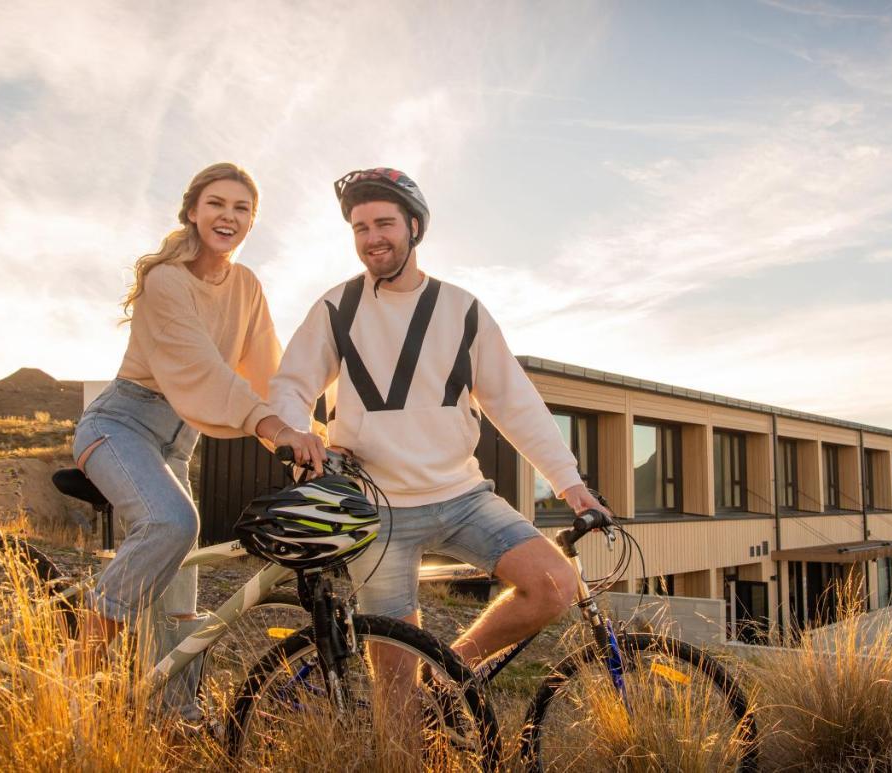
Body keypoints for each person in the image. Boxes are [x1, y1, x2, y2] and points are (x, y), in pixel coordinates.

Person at [261, 167, 607, 676]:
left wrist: (568, 481)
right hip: (375, 509)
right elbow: (290, 384)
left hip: (461, 497)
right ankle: (415, 701)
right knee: (396, 700)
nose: (372, 238)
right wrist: (297, 438)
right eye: (361, 228)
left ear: (414, 228)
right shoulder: (337, 307)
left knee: (554, 584)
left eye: (384, 223)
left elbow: (515, 401)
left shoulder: (462, 309)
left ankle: (448, 671)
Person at [70, 163, 283, 709]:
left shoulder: (247, 286)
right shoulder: (167, 281)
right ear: (193, 210)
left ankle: (177, 721)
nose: (228, 216)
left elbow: (268, 374)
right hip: (120, 424)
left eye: (242, 209)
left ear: (251, 222)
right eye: (217, 203)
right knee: (173, 522)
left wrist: (310, 433)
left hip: (178, 444)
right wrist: (270, 428)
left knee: (179, 596)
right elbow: (204, 373)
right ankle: (70, 673)